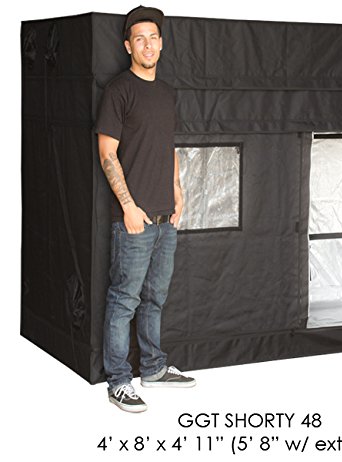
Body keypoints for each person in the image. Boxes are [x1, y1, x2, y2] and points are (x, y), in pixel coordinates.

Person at [95, 5, 195, 413]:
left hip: (165, 219)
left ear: (161, 44)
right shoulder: (119, 91)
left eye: (153, 38)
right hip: (133, 222)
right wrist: (129, 207)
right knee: (124, 301)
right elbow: (107, 152)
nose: (148, 45)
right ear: (128, 46)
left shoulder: (167, 93)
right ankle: (119, 381)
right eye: (140, 39)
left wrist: (177, 191)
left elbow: (167, 146)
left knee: (155, 299)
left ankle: (153, 368)